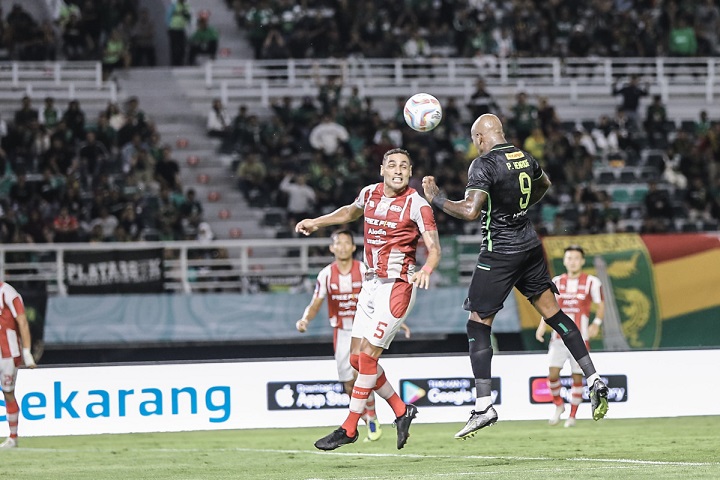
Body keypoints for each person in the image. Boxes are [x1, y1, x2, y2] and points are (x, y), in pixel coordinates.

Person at [421, 114, 609, 439]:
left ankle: (483, 405)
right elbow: (544, 184)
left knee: (477, 324)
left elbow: (470, 211)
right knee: (555, 314)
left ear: (480, 138)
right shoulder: (523, 156)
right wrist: (516, 210)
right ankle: (594, 378)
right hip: (530, 246)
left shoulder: (483, 164)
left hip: (500, 252)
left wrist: (436, 197)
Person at [295, 148, 441, 451]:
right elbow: (349, 212)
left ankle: (349, 428)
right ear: (382, 170)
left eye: (404, 166)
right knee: (355, 359)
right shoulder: (369, 193)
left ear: (410, 172)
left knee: (368, 359)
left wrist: (426, 269)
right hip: (371, 284)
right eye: (392, 165)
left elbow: (434, 247)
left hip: (398, 286)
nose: (398, 170)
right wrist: (317, 222)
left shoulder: (417, 204)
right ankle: (401, 409)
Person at [296, 229, 412, 443]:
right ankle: (376, 415)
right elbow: (316, 303)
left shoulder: (364, 269)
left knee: (364, 367)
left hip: (366, 326)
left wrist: (395, 320)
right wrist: (305, 319)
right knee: (349, 383)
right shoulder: (326, 274)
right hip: (342, 333)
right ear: (331, 248)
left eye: (345, 243)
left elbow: (382, 297)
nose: (342, 247)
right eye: (337, 243)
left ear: (352, 247)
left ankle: (369, 420)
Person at [535, 245, 604, 428]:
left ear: (582, 261)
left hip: (580, 339)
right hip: (557, 338)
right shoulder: (556, 282)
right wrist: (542, 326)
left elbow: (600, 304)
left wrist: (596, 323)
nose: (573, 262)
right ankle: (559, 405)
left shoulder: (592, 282)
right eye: (569, 258)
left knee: (577, 377)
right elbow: (548, 307)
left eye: (576, 258)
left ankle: (572, 415)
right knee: (552, 375)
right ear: (564, 261)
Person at [0, 281, 37, 448]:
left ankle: (13, 437)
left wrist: (27, 352)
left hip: (8, 353)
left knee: (8, 393)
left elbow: (22, 321)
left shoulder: (8, 292)